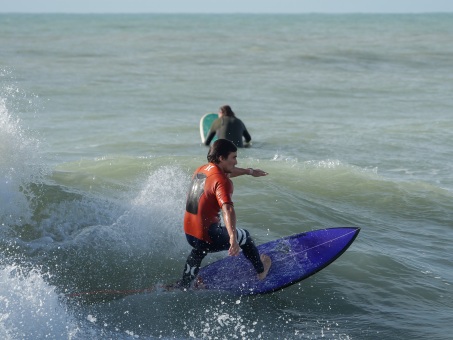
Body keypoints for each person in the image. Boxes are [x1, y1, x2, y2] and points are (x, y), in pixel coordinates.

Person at [178, 139, 271, 288]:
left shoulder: (202, 170)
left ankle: (187, 282)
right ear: (221, 158)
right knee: (245, 236)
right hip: (207, 236)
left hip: (190, 233)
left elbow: (227, 172)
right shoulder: (222, 181)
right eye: (233, 157)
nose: (236, 161)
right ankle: (261, 271)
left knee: (199, 250)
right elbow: (227, 209)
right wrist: (233, 238)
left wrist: (250, 171)